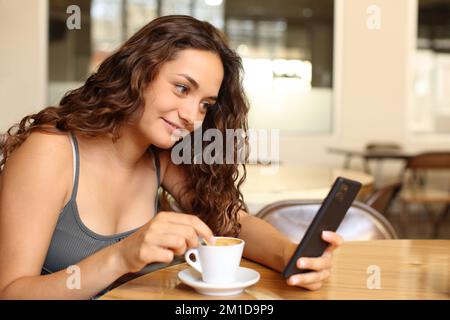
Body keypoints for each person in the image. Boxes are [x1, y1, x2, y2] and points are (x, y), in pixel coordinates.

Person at [0, 15, 343, 299]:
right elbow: (11, 292)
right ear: (137, 72)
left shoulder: (160, 157)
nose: (192, 116)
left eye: (205, 105)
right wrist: (121, 256)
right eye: (182, 88)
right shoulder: (50, 153)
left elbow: (229, 220)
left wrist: (291, 256)